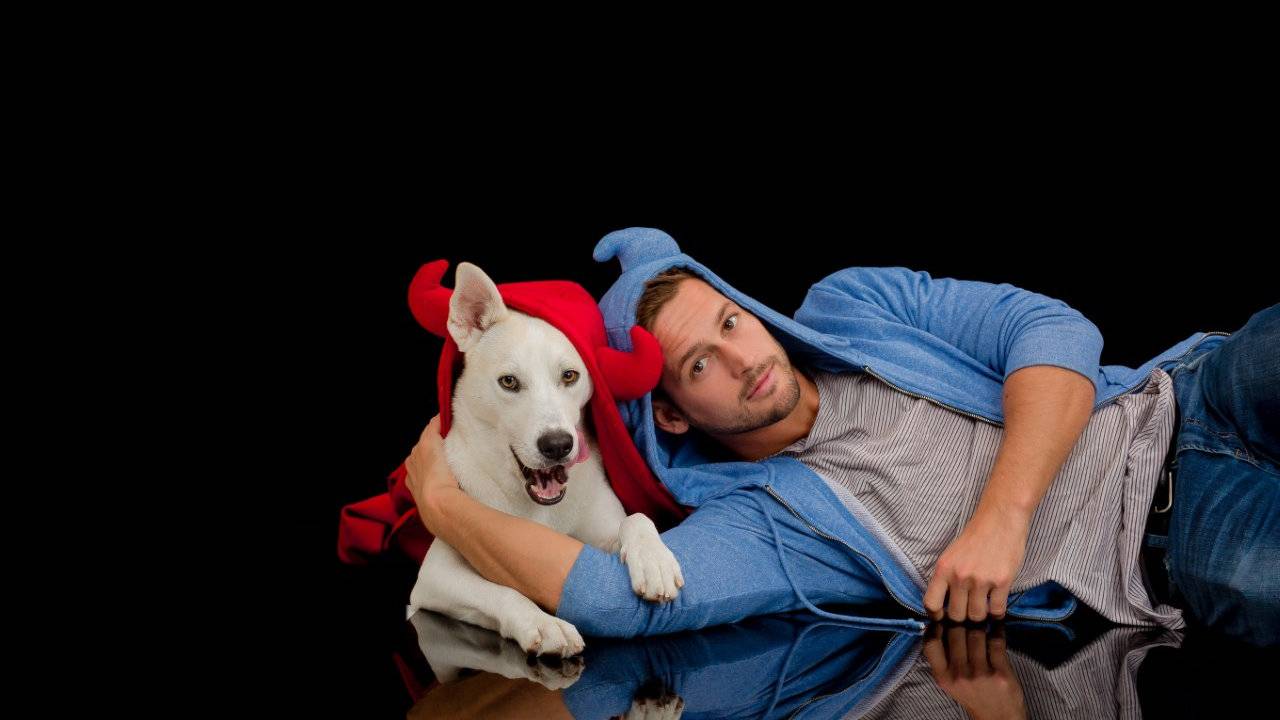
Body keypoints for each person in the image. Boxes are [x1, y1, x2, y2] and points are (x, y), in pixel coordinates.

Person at [404, 227, 1276, 645]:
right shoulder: (762, 523)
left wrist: (1000, 519)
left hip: (1190, 392)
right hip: (1174, 541)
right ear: (670, 414)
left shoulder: (853, 304)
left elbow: (1055, 334)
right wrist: (440, 500)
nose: (742, 357)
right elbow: (609, 601)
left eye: (732, 323)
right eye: (698, 365)